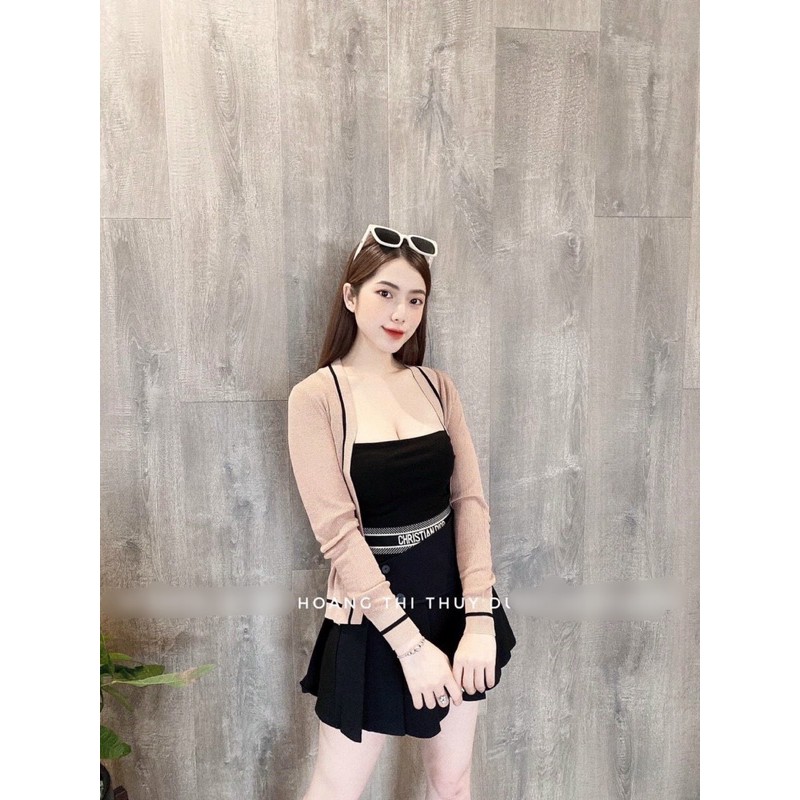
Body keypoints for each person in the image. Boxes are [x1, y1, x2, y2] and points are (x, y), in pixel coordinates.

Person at [288, 225, 516, 800]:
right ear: (350, 295)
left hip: (453, 601)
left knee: (452, 783)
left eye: (415, 299)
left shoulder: (437, 387)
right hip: (372, 613)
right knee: (335, 790)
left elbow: (469, 504)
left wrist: (479, 620)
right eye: (385, 293)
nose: (401, 313)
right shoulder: (316, 398)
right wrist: (410, 648)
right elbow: (339, 535)